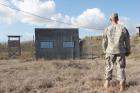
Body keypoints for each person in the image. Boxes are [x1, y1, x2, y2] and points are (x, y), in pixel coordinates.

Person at [102, 13, 131, 91]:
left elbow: (104, 41)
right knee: (120, 67)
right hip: (120, 51)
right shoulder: (123, 28)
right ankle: (122, 84)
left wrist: (104, 50)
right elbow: (127, 41)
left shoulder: (107, 29)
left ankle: (107, 83)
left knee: (108, 66)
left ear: (110, 19)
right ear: (118, 19)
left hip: (109, 51)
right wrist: (128, 50)